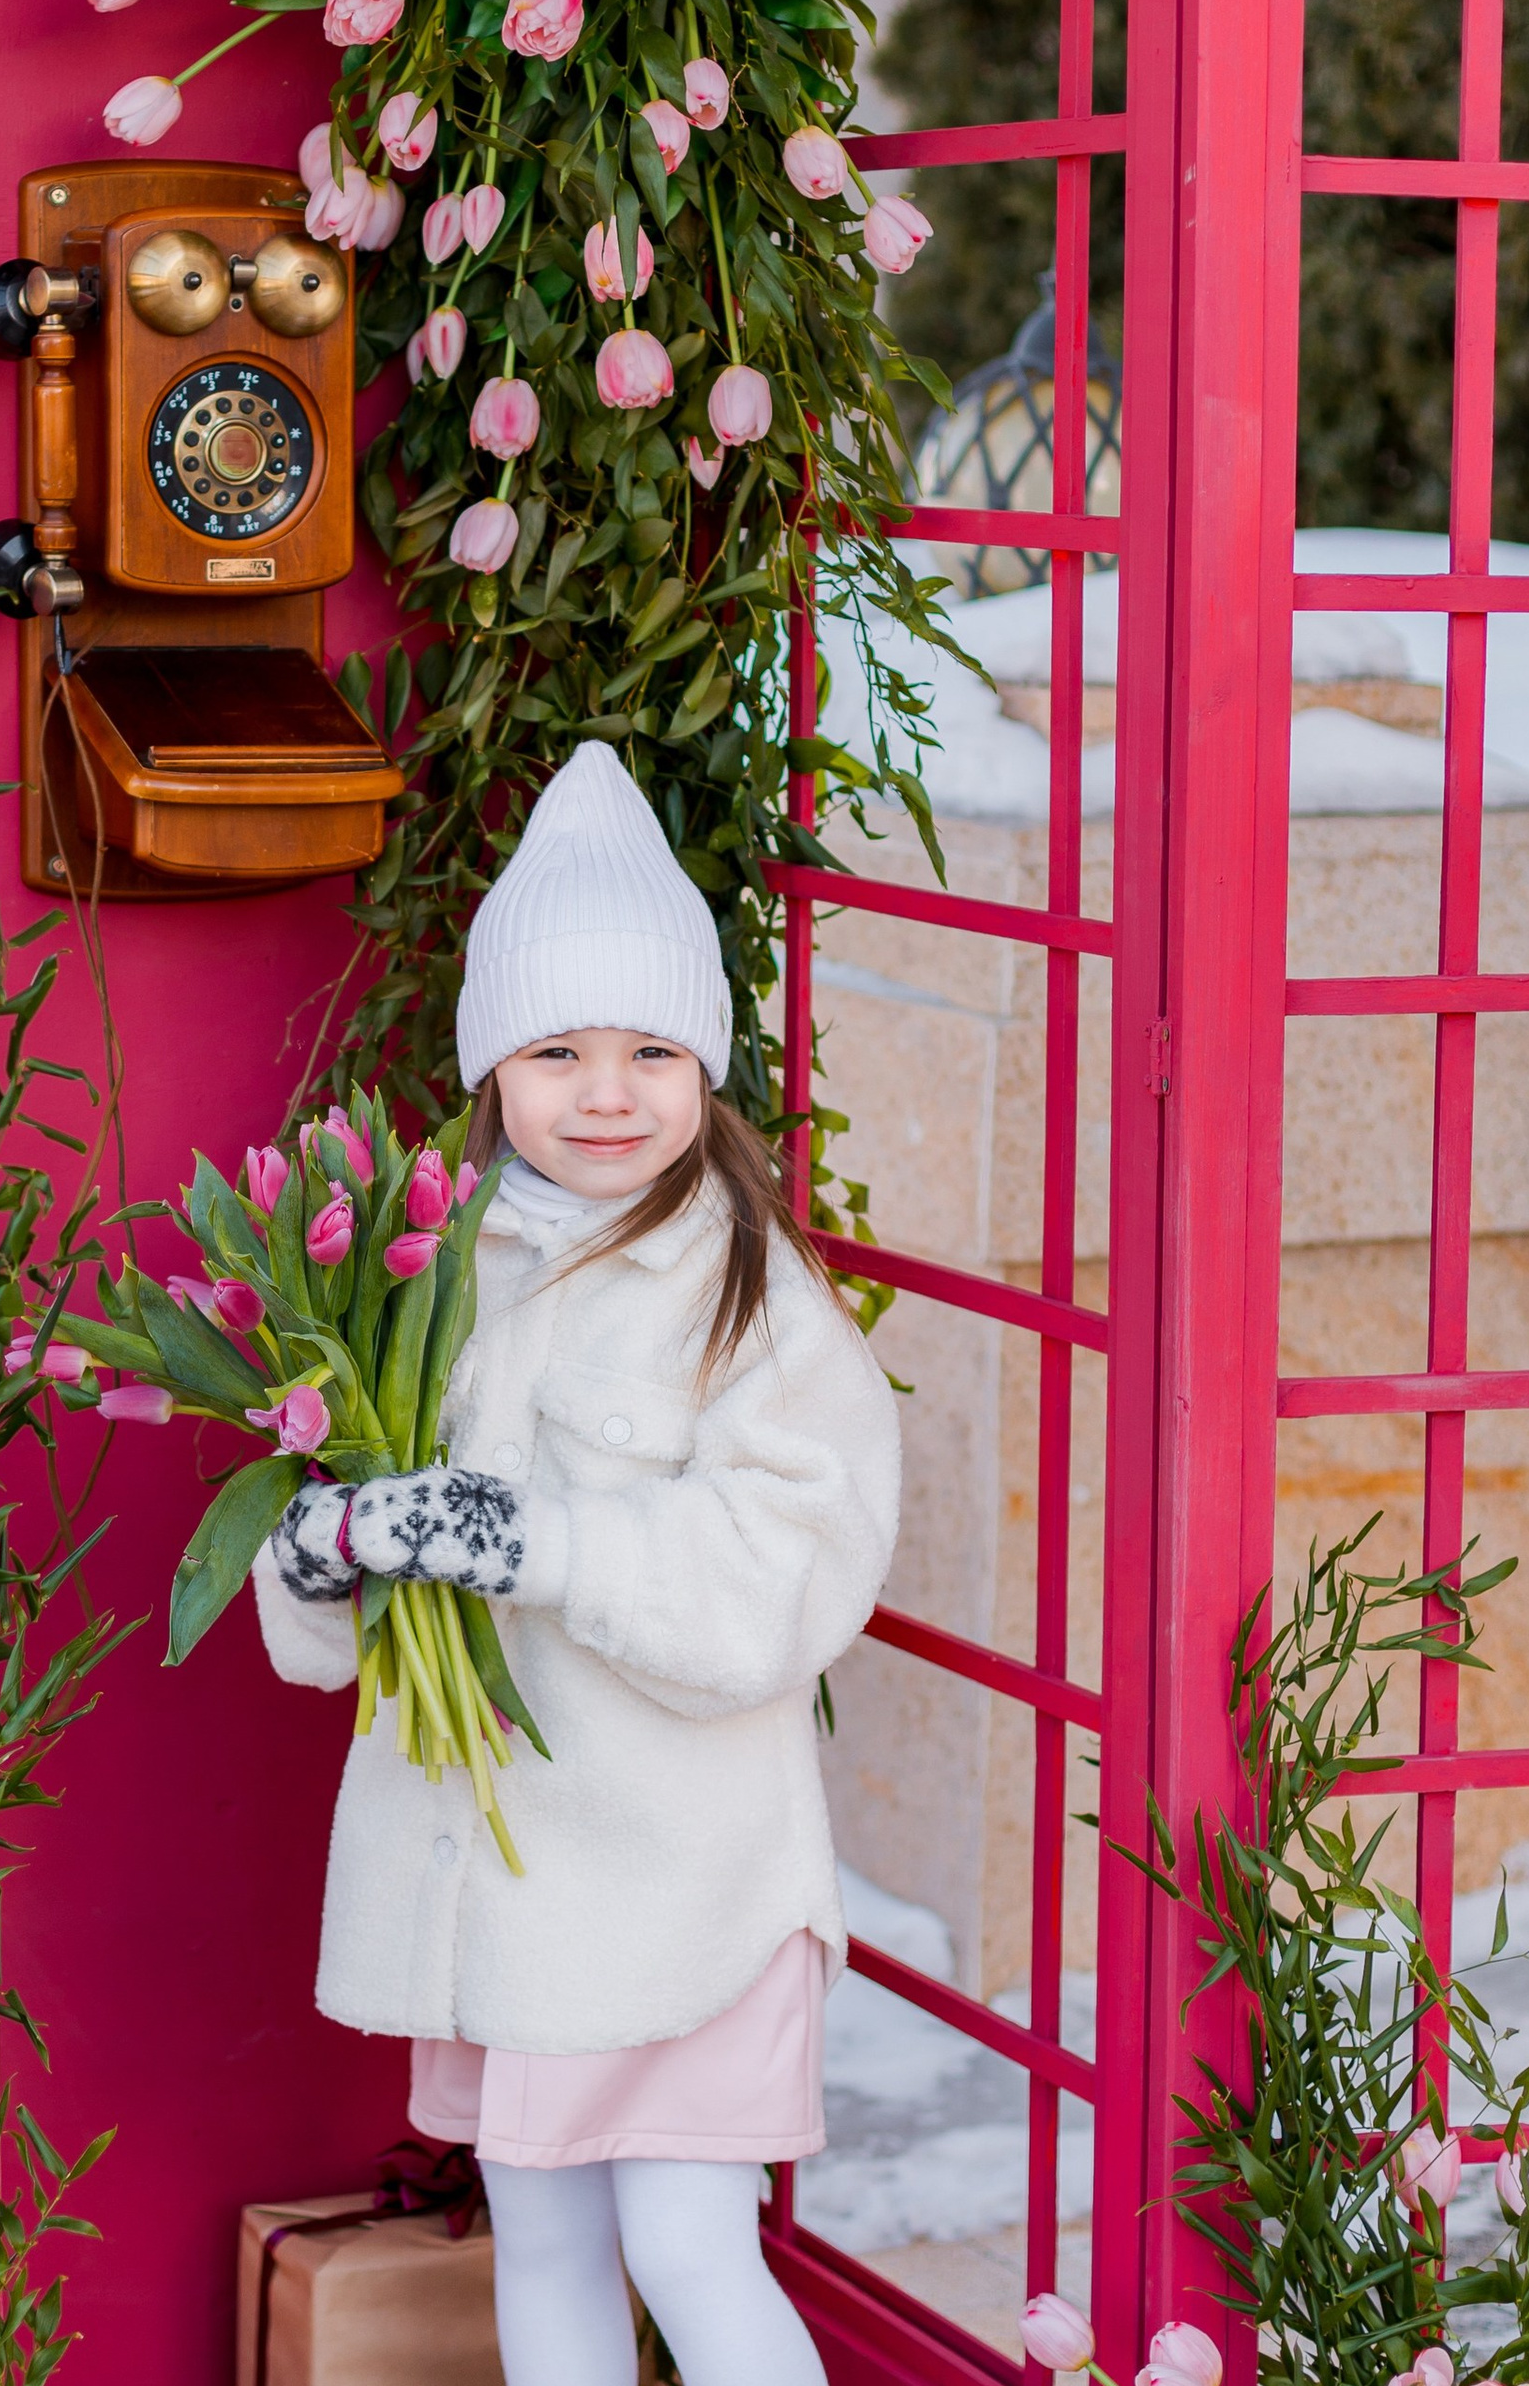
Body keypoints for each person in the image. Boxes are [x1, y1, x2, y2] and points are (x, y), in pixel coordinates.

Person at [251, 741, 901, 2386]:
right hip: (510, 1892)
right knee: (536, 2234)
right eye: (558, 1049)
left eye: (652, 1051)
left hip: (688, 1888)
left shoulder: (748, 1291)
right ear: (491, 1067)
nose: (607, 1092)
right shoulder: (426, 1262)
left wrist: (526, 1541)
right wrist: (326, 1547)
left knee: (687, 2240)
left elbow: (788, 1578)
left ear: (708, 1068)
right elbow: (341, 1577)